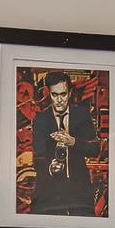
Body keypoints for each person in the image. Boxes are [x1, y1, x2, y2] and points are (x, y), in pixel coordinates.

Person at [28, 72, 103, 218]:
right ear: (48, 94)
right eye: (54, 95)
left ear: (69, 93)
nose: (59, 100)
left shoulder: (82, 115)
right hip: (49, 189)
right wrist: (50, 167)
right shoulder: (40, 119)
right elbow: (38, 157)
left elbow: (95, 150)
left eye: (63, 94)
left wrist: (73, 142)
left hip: (78, 190)